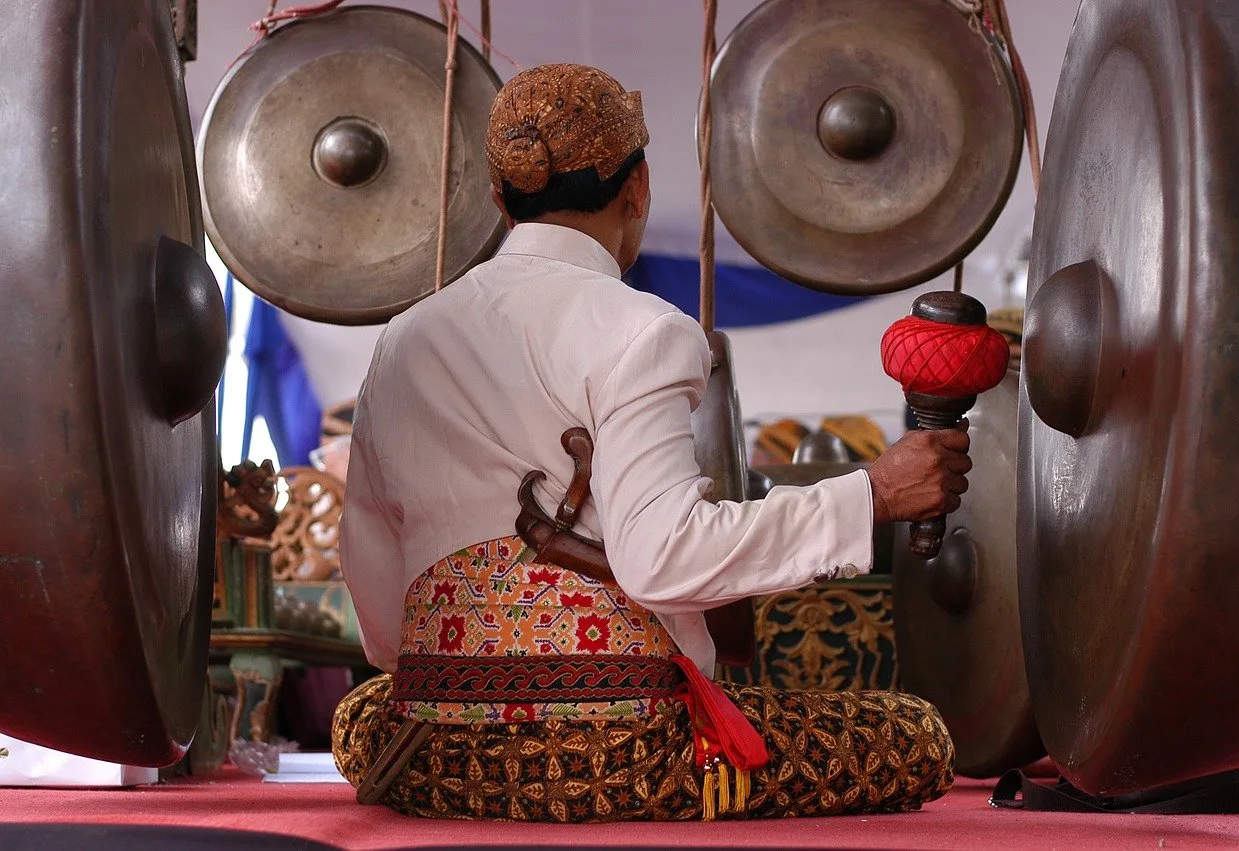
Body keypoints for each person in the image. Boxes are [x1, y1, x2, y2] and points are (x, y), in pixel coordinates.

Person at [333, 63, 971, 822]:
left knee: (364, 710)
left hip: (440, 753)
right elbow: (662, 558)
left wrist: (473, 680)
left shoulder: (402, 339)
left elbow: (377, 603)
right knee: (912, 736)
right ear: (638, 188)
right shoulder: (640, 330)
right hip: (620, 751)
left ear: (500, 201)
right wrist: (874, 494)